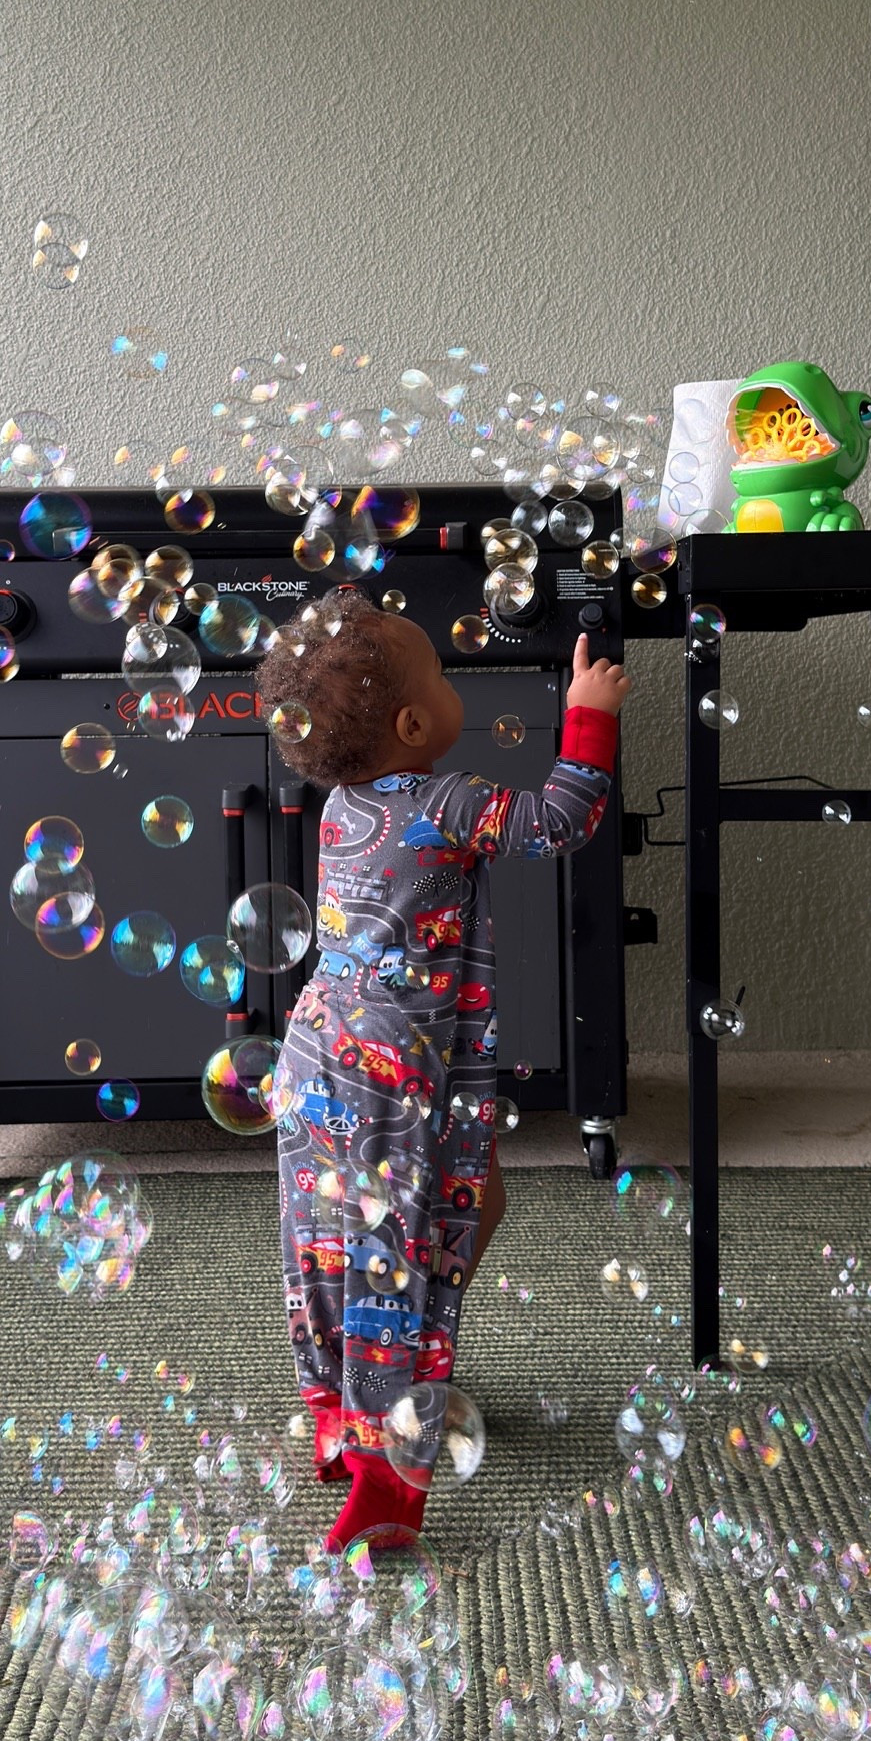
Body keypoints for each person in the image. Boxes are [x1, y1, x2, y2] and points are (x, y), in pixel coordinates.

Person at [255, 583, 629, 1551]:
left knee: (339, 1232)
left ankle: (341, 1408)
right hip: (398, 1068)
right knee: (396, 1246)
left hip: (325, 1049)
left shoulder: (342, 803)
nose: (454, 685)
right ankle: (389, 1465)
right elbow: (555, 823)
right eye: (443, 674)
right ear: (416, 721)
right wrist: (588, 711)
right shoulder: (444, 797)